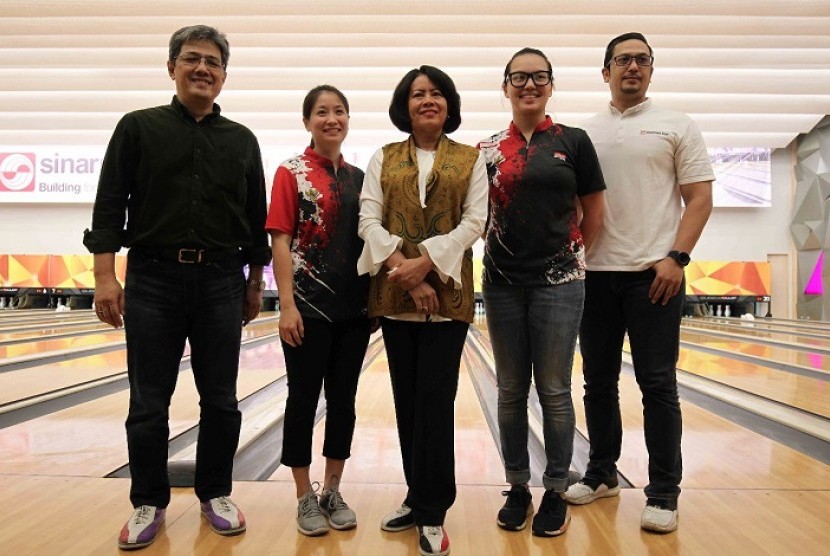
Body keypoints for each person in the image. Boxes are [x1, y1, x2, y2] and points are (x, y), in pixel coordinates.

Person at [82, 25, 270, 550]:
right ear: (172, 67)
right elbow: (108, 203)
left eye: (213, 62)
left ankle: (216, 493)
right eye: (192, 59)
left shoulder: (242, 140)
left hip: (219, 280)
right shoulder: (137, 128)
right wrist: (103, 276)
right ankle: (147, 501)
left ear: (224, 75)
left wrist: (255, 282)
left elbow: (254, 221)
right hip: (153, 278)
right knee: (148, 401)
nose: (202, 69)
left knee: (222, 399)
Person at [564, 32, 714, 534]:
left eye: (642, 60)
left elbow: (698, 198)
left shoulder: (676, 125)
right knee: (597, 384)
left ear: (651, 70)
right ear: (605, 71)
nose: (633, 67)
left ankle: (664, 492)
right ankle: (603, 473)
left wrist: (677, 258)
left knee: (658, 386)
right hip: (596, 276)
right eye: (623, 60)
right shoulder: (582, 133)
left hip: (656, 277)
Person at [357, 65, 487, 556]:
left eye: (435, 93)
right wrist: (405, 272)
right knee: (407, 404)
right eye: (417, 95)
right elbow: (368, 217)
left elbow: (475, 221)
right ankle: (417, 497)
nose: (427, 100)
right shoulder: (384, 157)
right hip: (395, 299)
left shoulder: (471, 160)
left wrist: (426, 263)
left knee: (435, 404)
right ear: (404, 106)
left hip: (448, 300)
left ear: (449, 105)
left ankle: (434, 511)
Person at [477, 47, 606, 538]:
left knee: (554, 390)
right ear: (506, 86)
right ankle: (517, 486)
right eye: (519, 77)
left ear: (550, 85)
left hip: (560, 284)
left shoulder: (573, 141)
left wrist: (570, 260)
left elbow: (593, 212)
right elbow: (475, 217)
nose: (528, 85)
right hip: (503, 282)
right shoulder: (487, 150)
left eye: (539, 77)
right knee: (510, 390)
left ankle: (554, 488)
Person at [265, 85, 371, 537]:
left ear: (348, 119)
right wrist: (286, 305)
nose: (332, 119)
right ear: (307, 121)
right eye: (322, 112)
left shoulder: (361, 178)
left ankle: (332, 488)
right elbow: (280, 241)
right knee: (303, 401)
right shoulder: (291, 172)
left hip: (354, 312)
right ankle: (303, 494)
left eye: (340, 111)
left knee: (343, 401)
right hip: (306, 311)